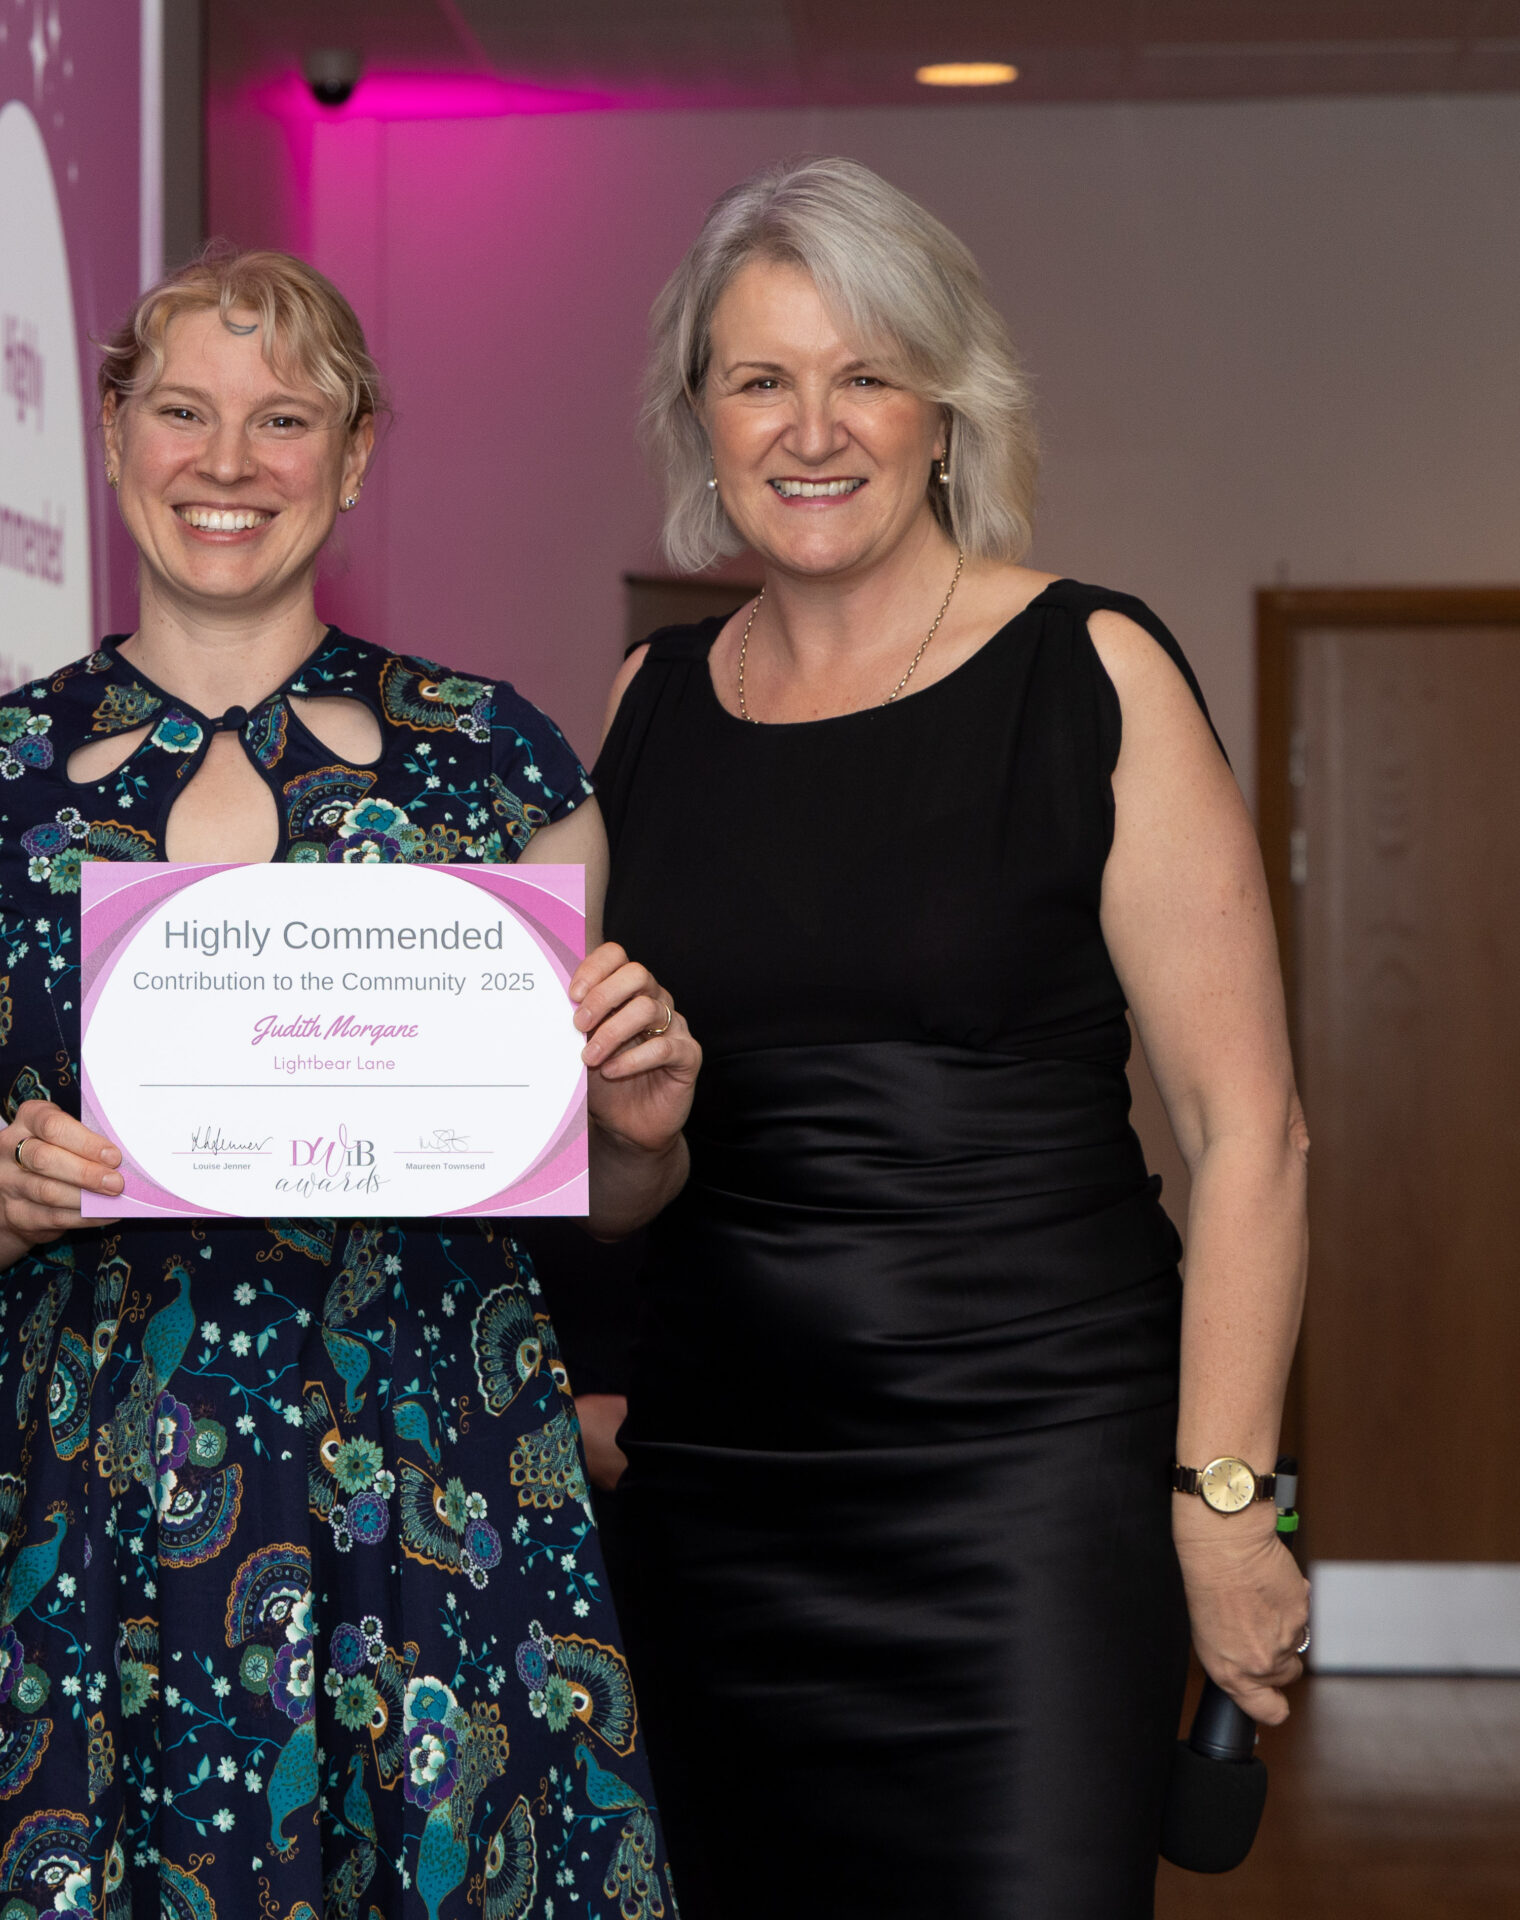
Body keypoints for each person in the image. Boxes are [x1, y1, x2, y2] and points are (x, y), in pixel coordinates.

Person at [0, 246, 700, 1920]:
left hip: (428, 1470)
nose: (229, 464)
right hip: (79, 1489)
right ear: (112, 435)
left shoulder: (499, 763)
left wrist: (641, 1128)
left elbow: (599, 1196)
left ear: (360, 450)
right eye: (183, 412)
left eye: (284, 419)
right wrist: (11, 1191)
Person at [596, 159, 1311, 1916]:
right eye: (760, 377)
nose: (812, 424)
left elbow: (1250, 1137)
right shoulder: (645, 707)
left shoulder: (1093, 671)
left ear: (944, 409)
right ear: (702, 416)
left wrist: (1227, 1503)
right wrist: (632, 1141)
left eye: (866, 371)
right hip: (716, 1508)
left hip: (1028, 1498)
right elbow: (622, 1161)